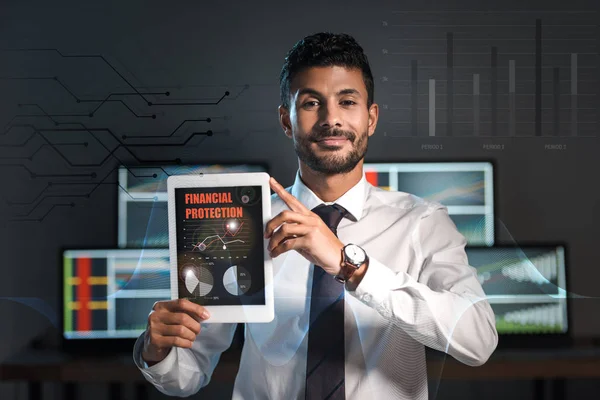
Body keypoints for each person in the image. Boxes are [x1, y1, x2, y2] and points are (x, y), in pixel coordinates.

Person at [133, 32, 498, 399]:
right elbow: (187, 374)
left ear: (371, 117)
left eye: (347, 101)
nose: (331, 119)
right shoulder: (240, 223)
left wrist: (349, 264)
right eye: (311, 103)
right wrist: (157, 349)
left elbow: (478, 339)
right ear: (286, 120)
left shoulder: (422, 222)